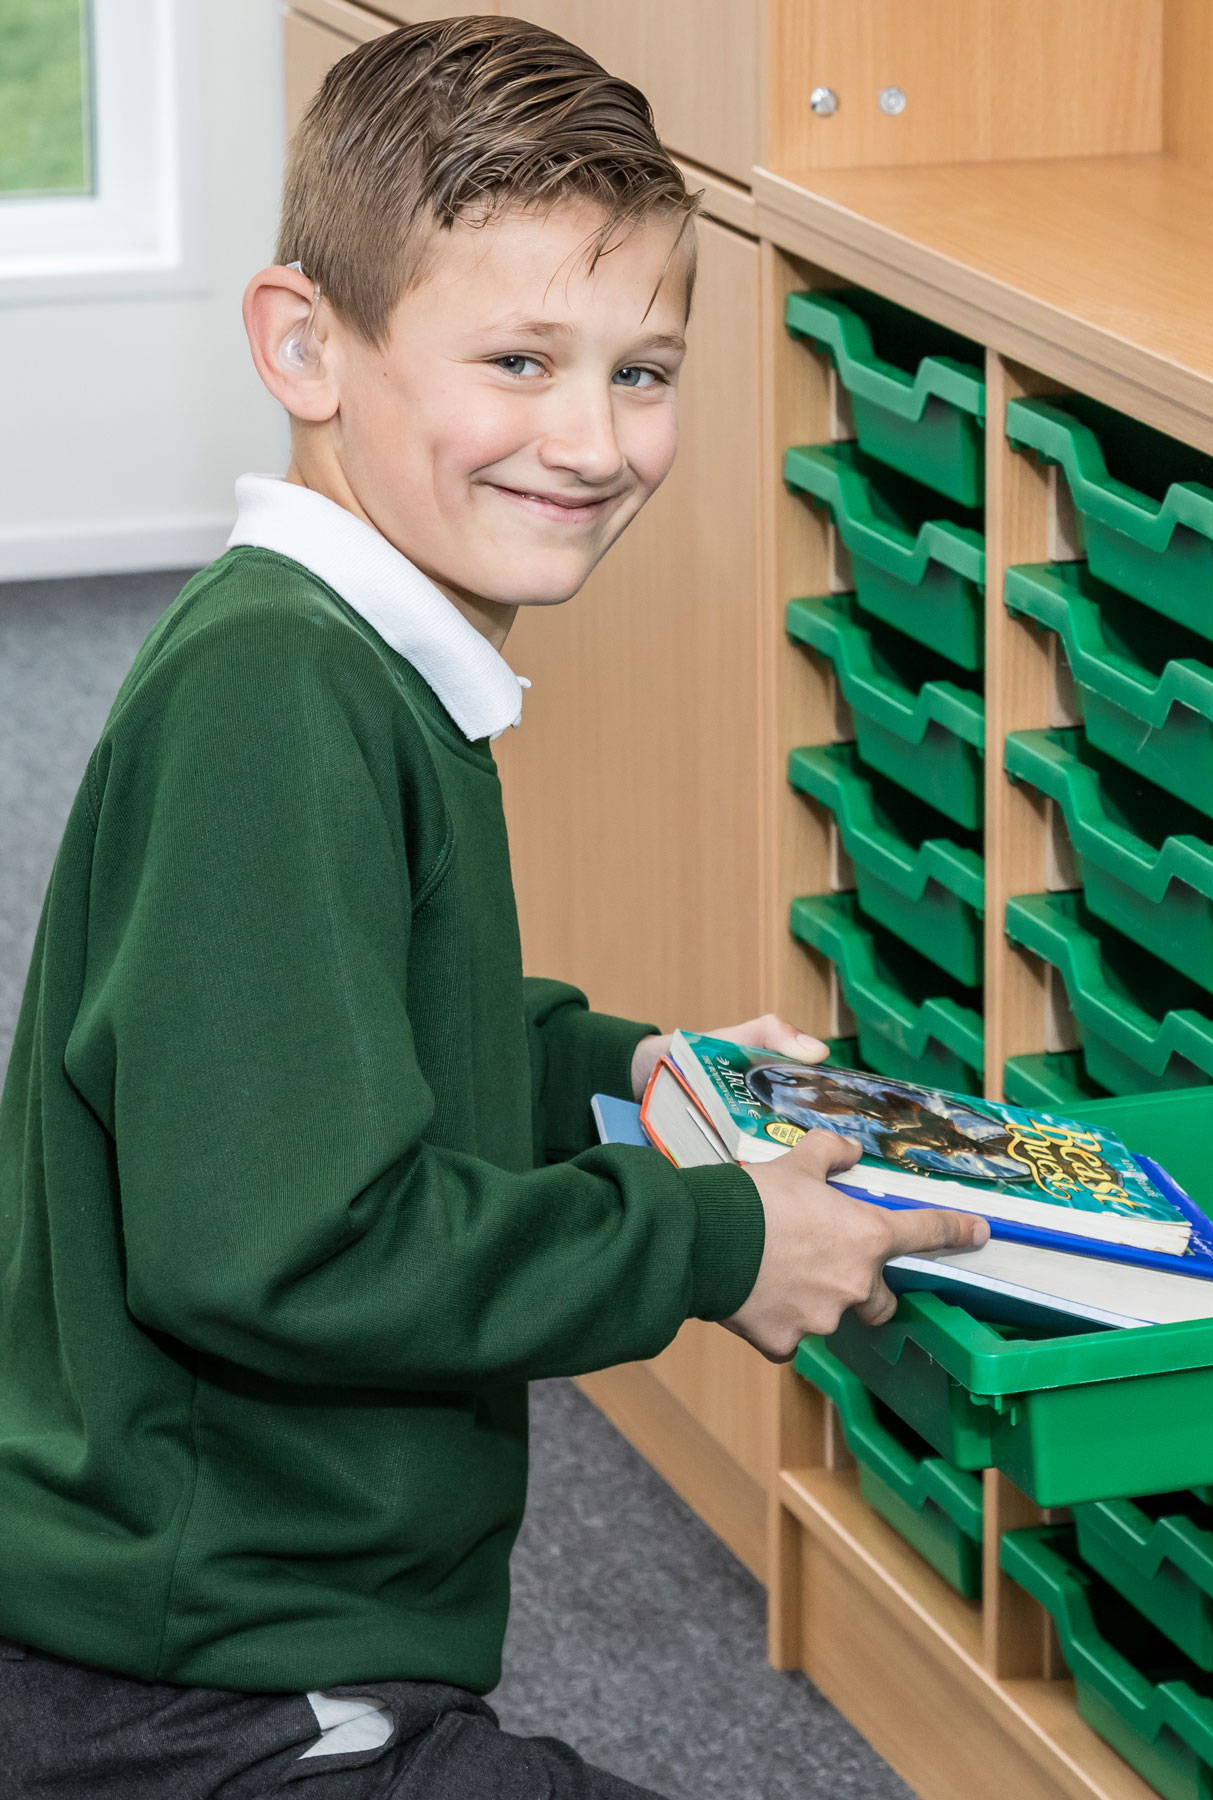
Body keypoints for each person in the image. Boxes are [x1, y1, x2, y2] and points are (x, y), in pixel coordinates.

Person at [0, 17, 985, 1797]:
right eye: (520, 360)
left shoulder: (353, 659)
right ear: (307, 345)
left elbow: (395, 1021)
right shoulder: (276, 705)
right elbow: (283, 1246)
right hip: (204, 1694)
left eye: (644, 370)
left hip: (262, 1637)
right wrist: (714, 1238)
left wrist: (635, 1074)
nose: (592, 442)